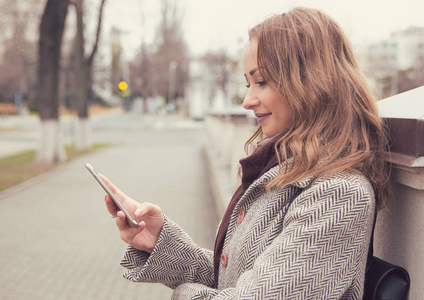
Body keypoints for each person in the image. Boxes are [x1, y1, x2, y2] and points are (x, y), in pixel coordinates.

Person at [101, 7, 389, 299]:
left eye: (261, 81)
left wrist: (183, 295)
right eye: (247, 83)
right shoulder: (285, 169)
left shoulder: (339, 194)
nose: (248, 100)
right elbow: (237, 279)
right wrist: (159, 240)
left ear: (312, 81)